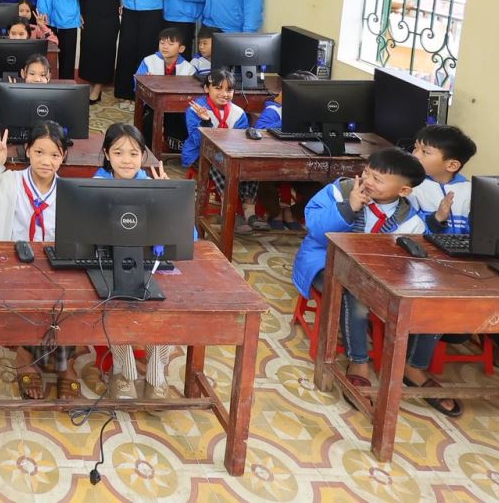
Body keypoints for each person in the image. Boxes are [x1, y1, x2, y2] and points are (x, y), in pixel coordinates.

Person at [292, 147, 461, 418]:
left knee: (432, 295)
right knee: (356, 292)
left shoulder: (408, 218)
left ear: (403, 191)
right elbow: (315, 228)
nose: (367, 181)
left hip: (378, 274)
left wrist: (438, 221)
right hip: (324, 262)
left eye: (378, 180)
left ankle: (414, 366)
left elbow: (415, 250)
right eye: (368, 173)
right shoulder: (341, 191)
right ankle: (358, 362)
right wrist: (349, 208)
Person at [0, 121, 77, 400]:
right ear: (27, 150)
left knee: (71, 296)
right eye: (39, 152)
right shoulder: (9, 181)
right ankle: (25, 357)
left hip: (52, 266)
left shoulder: (70, 191)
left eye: (54, 155)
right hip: (13, 265)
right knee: (32, 296)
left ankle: (66, 364)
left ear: (63, 157)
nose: (46, 161)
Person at [90, 123, 175, 399]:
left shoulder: (153, 185)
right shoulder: (95, 185)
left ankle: (157, 374)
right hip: (109, 263)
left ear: (143, 156)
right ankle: (123, 371)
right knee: (116, 301)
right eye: (118, 152)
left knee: (167, 304)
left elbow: (187, 236)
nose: (126, 160)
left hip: (151, 263)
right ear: (106, 154)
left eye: (134, 153)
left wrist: (167, 199)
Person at [184, 68, 253, 231]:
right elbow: (198, 141)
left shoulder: (238, 113)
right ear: (206, 88)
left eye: (229, 90)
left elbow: (241, 140)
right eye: (218, 88)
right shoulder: (196, 109)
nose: (224, 94)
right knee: (219, 163)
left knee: (248, 166)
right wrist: (206, 122)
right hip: (199, 154)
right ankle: (228, 211)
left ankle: (250, 210)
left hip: (229, 154)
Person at [253, 73, 316, 230]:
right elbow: (259, 129)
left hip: (301, 165)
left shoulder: (315, 114)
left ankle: (292, 212)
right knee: (263, 183)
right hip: (272, 163)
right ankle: (275, 213)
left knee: (320, 188)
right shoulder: (274, 110)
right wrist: (290, 120)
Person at [409, 124, 477, 235]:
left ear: (452, 165)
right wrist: (437, 218)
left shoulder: (469, 191)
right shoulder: (411, 188)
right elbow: (409, 230)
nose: (415, 155)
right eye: (415, 148)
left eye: (425, 152)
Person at [135, 26, 193, 148]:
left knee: (181, 120)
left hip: (177, 108)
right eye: (162, 43)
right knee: (149, 121)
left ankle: (175, 147)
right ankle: (146, 149)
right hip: (152, 105)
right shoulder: (149, 61)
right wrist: (146, 83)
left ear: (181, 48)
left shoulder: (188, 68)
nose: (165, 47)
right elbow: (136, 85)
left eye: (170, 44)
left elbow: (191, 93)